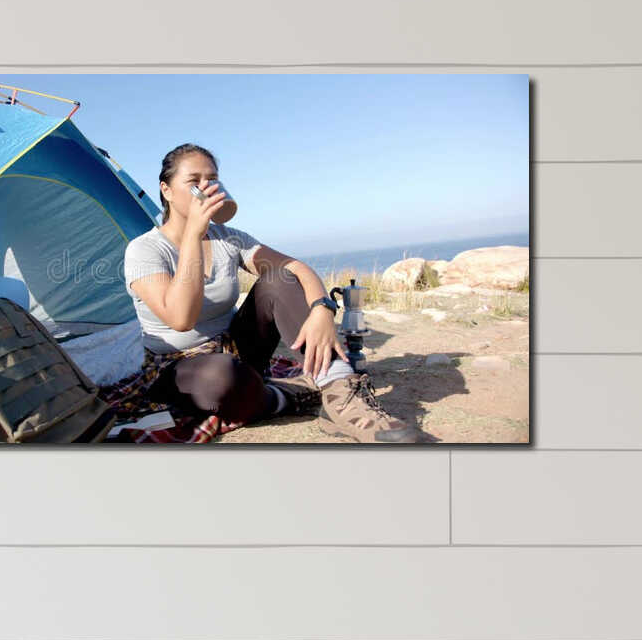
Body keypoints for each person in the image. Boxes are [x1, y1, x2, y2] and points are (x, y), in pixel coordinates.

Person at [116, 143, 424, 444]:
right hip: (179, 366)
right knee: (221, 376)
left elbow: (295, 268)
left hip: (235, 349)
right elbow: (181, 319)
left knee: (280, 278)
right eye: (193, 181)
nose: (206, 187)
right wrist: (194, 236)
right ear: (167, 190)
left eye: (212, 179)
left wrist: (322, 308)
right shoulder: (144, 250)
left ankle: (343, 400)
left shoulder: (228, 238)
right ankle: (285, 396)